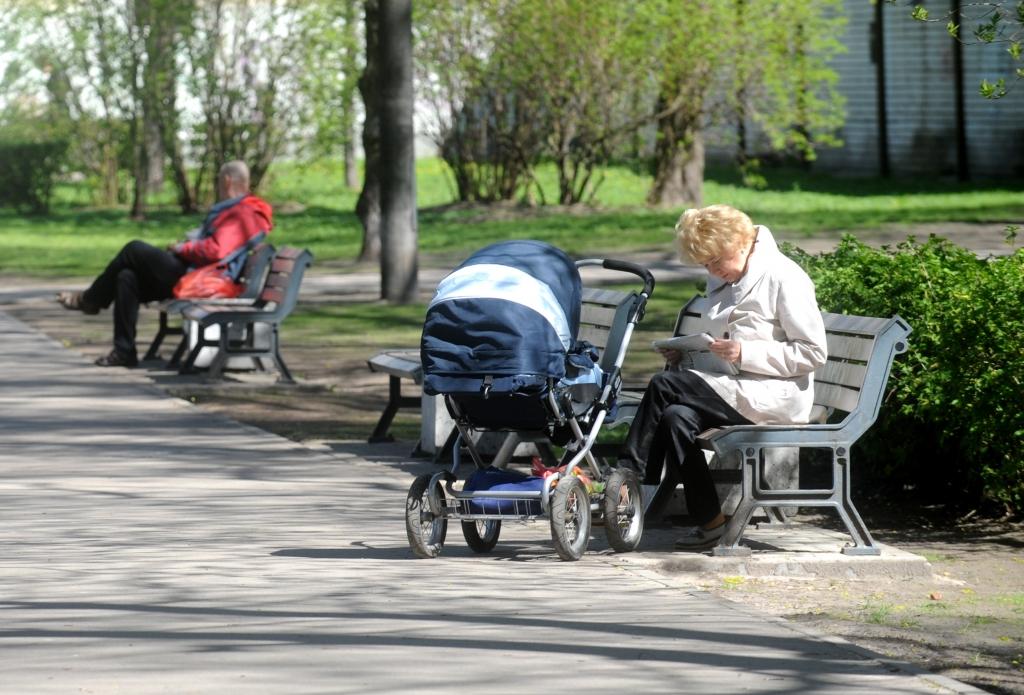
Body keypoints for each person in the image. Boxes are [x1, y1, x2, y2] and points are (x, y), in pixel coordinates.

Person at [621, 204, 827, 549]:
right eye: (706, 265)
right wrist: (685, 354)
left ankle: (627, 482)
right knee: (676, 418)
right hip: (734, 389)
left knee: (662, 385)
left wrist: (747, 353)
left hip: (774, 396)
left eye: (716, 261)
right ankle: (711, 523)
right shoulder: (727, 275)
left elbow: (812, 353)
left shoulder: (784, 277)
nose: (713, 270)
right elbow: (719, 350)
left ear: (741, 243)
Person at [57, 161, 273, 367]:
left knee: (134, 249)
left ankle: (90, 299)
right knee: (126, 276)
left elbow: (215, 251)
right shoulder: (235, 210)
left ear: (226, 181)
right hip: (195, 272)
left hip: (201, 277)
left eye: (218, 181)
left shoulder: (244, 213)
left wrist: (182, 248)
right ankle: (124, 352)